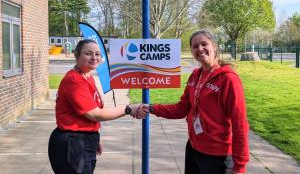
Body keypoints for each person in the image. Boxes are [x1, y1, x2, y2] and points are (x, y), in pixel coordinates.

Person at [144, 30, 249, 174]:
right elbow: (181, 108)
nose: (200, 49)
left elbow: (240, 124)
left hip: (218, 156)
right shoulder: (195, 76)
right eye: (195, 46)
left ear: (214, 46)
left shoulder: (228, 79)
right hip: (193, 148)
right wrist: (151, 108)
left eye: (204, 44)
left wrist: (240, 165)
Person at [48, 39, 146, 174]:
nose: (94, 57)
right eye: (88, 53)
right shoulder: (74, 80)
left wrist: (95, 135)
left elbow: (91, 112)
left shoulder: (87, 77)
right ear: (77, 55)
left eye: (98, 54)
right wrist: (128, 109)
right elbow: (94, 114)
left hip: (83, 139)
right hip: (72, 143)